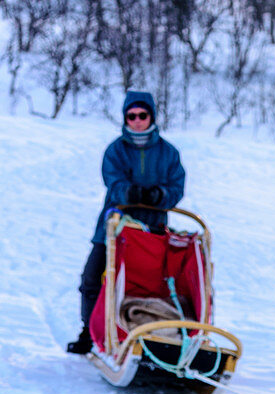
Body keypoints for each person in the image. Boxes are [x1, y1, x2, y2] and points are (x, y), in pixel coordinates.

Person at [67, 91, 186, 354]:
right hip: (114, 227)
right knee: (93, 276)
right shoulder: (115, 150)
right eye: (131, 116)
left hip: (150, 231)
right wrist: (129, 193)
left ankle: (154, 329)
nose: (137, 121)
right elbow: (113, 180)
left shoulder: (168, 153)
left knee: (145, 282)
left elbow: (176, 187)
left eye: (142, 115)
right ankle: (89, 331)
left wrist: (160, 195)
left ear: (151, 116)